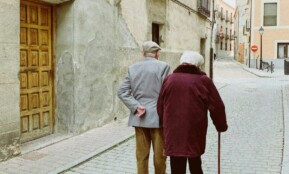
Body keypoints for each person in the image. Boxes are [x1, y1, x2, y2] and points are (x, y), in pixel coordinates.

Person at [157, 51, 228, 174]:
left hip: (173, 131)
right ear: (198, 65)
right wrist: (221, 125)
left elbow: (160, 105)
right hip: (194, 130)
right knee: (195, 163)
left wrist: (163, 124)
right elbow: (217, 106)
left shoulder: (169, 79)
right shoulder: (203, 81)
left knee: (176, 166)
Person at [118, 41, 170, 174]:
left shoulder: (133, 68)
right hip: (158, 118)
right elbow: (168, 93)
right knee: (160, 157)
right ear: (157, 53)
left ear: (143, 53)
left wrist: (136, 106)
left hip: (140, 118)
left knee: (141, 156)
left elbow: (122, 92)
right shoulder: (164, 67)